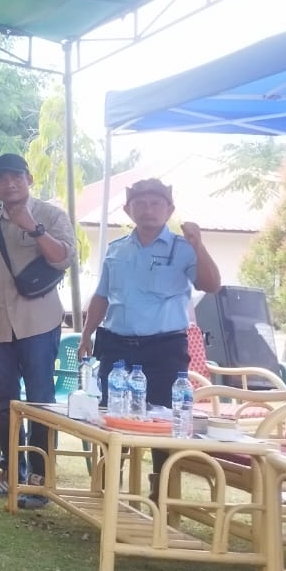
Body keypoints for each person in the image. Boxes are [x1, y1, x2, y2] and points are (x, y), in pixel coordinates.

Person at [79, 178, 221, 497]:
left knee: (164, 420)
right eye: (140, 204)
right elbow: (101, 296)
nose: (148, 210)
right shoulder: (116, 249)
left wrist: (199, 246)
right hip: (117, 346)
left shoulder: (184, 248)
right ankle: (109, 491)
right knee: (111, 417)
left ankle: (162, 492)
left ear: (169, 209)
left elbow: (212, 285)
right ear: (128, 210)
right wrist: (86, 334)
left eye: (156, 203)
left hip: (163, 348)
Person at [0, 153, 76, 505]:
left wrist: (33, 226)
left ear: (29, 179)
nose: (9, 184)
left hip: (39, 322)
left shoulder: (51, 215)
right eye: (1, 179)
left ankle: (39, 479)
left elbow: (63, 258)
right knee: (4, 400)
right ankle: (10, 473)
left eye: (16, 177)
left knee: (40, 400)